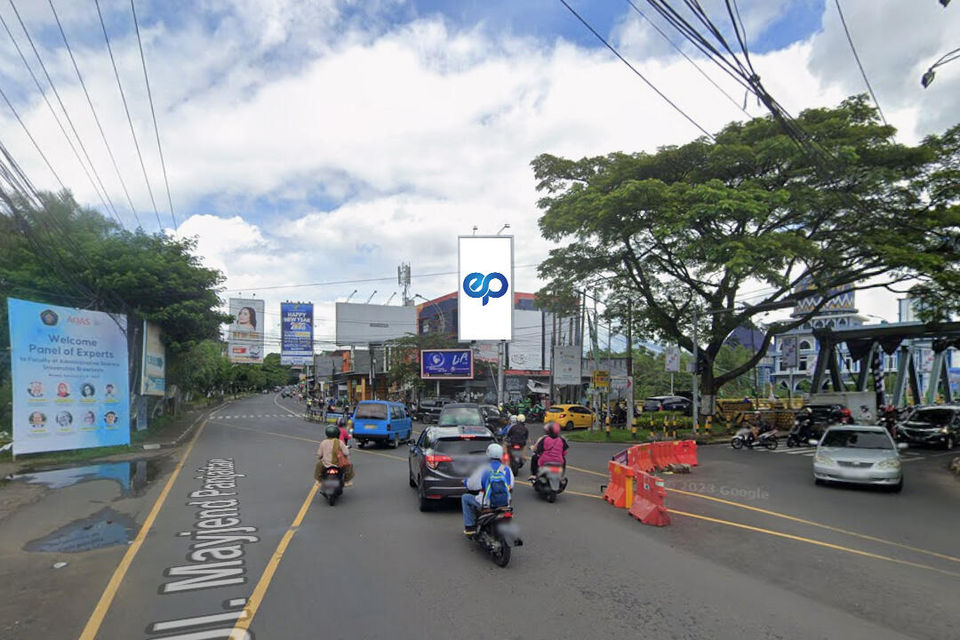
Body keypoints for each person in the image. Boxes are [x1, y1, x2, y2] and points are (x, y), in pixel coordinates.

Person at [461, 442, 513, 535]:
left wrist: (465, 482)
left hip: (486, 502)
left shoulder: (483, 468)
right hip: (505, 503)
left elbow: (472, 485)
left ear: (488, 454)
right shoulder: (506, 469)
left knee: (465, 497)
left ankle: (470, 527)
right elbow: (511, 485)